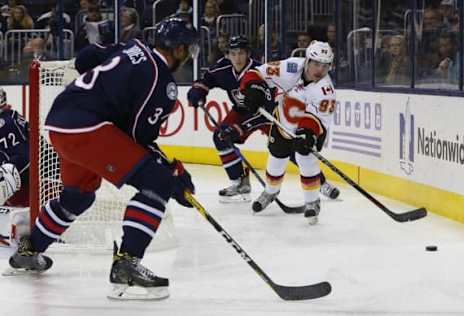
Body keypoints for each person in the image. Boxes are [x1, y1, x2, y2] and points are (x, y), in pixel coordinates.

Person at [6, 17, 199, 301]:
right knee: (157, 185)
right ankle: (127, 265)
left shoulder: (132, 48)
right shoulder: (162, 83)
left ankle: (30, 251)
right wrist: (171, 173)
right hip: (87, 128)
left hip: (59, 123)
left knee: (78, 196)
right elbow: (137, 139)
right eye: (189, 50)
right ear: (180, 50)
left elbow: (86, 57)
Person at [240, 41, 338, 224]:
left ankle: (312, 201)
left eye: (325, 66)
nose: (320, 70)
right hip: (282, 121)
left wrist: (308, 133)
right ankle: (270, 192)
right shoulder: (291, 66)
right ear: (307, 60)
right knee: (276, 158)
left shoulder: (326, 91)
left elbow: (321, 120)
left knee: (306, 158)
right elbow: (257, 73)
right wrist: (254, 89)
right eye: (316, 64)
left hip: (312, 128)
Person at [187, 35, 266, 203]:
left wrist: (242, 127)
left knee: (284, 144)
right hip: (241, 111)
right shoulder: (223, 68)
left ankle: (320, 182)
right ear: (228, 55)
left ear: (248, 54)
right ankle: (239, 182)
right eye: (233, 53)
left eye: (241, 53)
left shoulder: (260, 71)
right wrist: (198, 91)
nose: (237, 58)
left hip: (264, 113)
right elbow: (206, 80)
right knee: (221, 136)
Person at [0, 88, 28, 208]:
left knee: (7, 170)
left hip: (20, 172)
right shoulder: (13, 115)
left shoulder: (9, 118)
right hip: (25, 171)